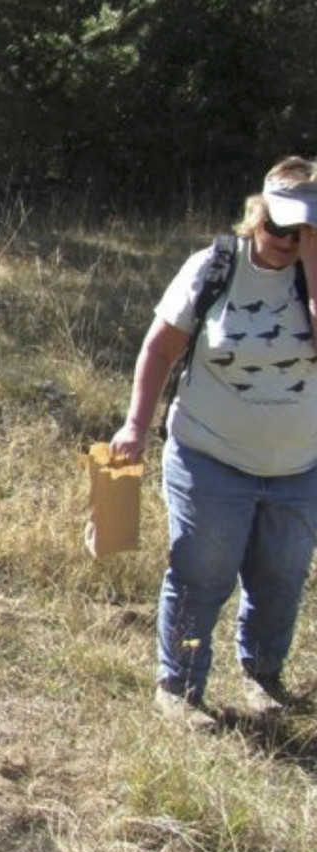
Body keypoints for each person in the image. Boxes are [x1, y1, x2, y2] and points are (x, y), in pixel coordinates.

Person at [110, 157, 317, 729]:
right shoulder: (214, 266)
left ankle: (263, 676)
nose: (285, 241)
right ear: (258, 215)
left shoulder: (313, 272)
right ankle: (178, 689)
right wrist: (135, 425)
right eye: (278, 227)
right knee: (203, 572)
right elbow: (159, 348)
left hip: (299, 463)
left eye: (302, 231)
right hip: (209, 453)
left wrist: (315, 264)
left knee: (281, 576)